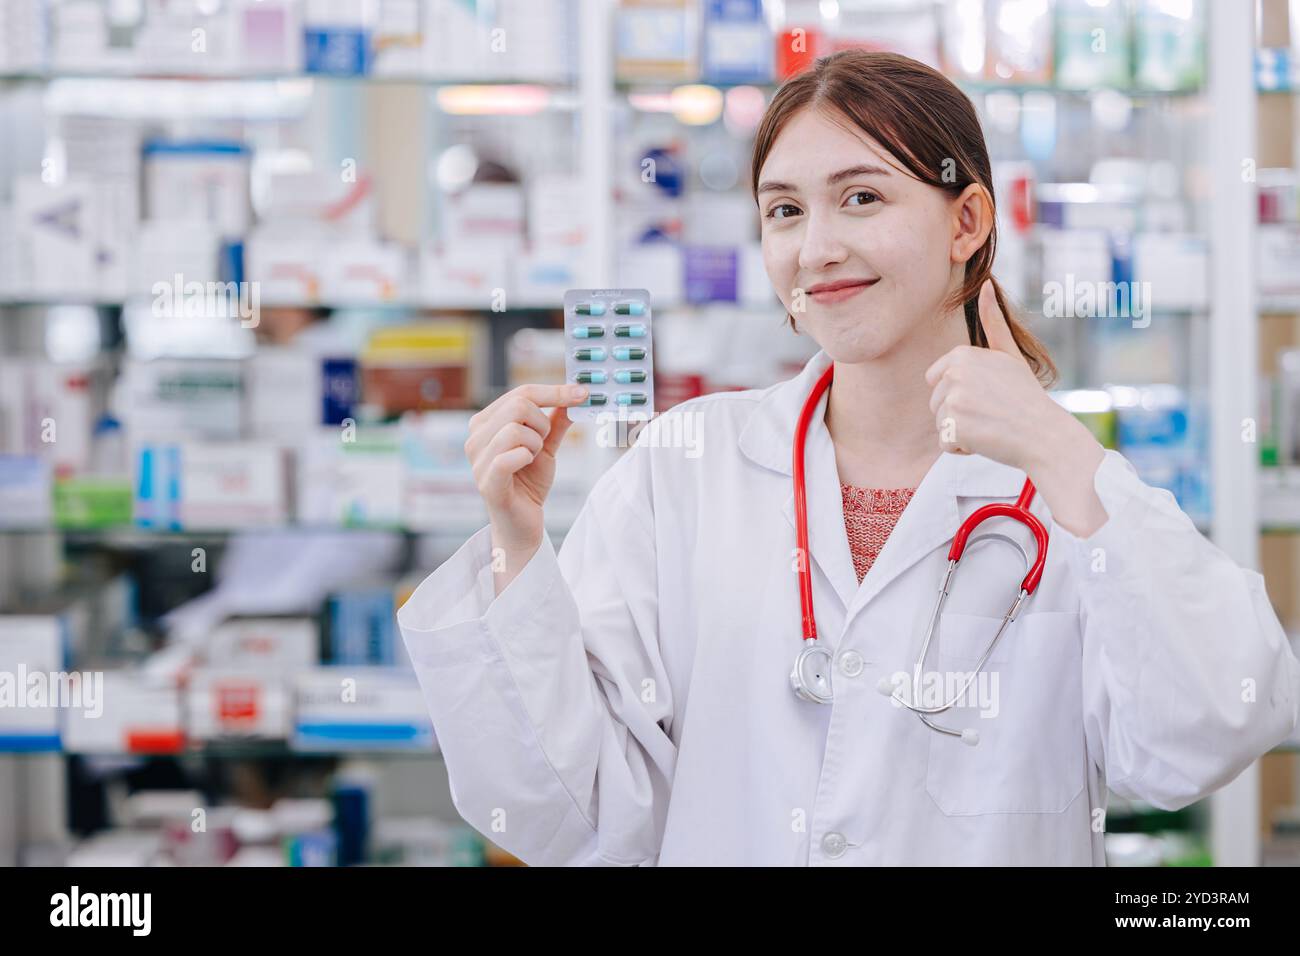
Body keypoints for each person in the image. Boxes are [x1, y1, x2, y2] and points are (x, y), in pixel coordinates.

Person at [397, 50, 1300, 866]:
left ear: (968, 221)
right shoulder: (684, 468)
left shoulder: (1068, 493)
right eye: (784, 210)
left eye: (862, 197)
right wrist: (518, 544)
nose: (816, 249)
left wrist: (1066, 454)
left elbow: (1208, 733)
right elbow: (564, 815)